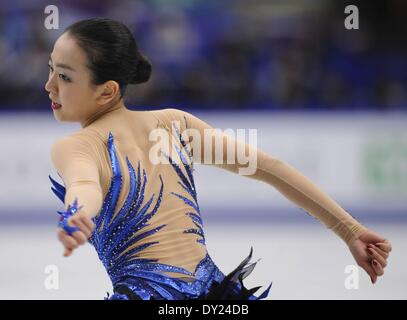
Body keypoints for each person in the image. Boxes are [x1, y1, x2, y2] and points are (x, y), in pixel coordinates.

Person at [45, 18, 391, 300]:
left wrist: (77, 214)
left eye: (64, 76)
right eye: (51, 70)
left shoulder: (79, 145)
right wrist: (351, 231)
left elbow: (84, 185)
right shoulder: (174, 123)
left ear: (107, 90)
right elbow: (271, 168)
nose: (49, 86)